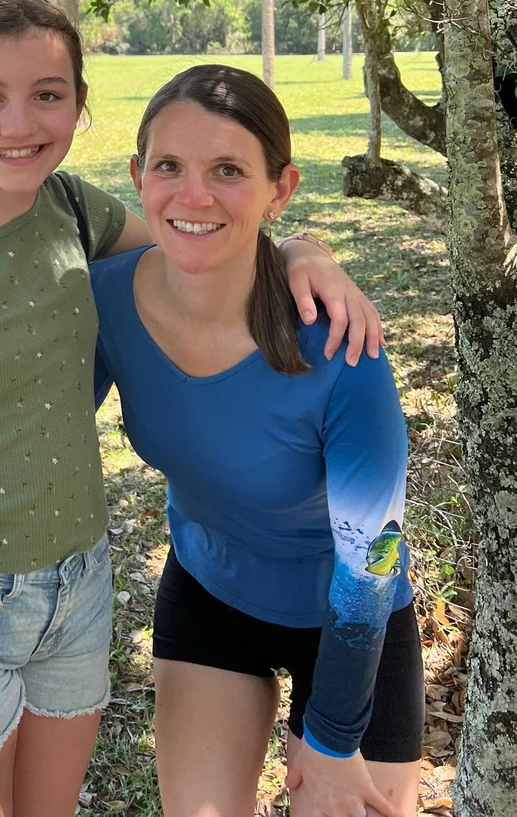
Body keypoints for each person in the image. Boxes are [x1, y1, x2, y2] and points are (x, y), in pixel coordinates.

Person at [0, 0, 384, 817]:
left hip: (76, 596)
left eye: (49, 94)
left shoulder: (71, 210)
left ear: (77, 104)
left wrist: (303, 248)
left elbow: (198, 244)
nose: (19, 121)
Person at [91, 64, 424, 817]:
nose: (194, 194)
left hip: (354, 627)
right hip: (213, 592)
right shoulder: (104, 303)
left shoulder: (341, 346)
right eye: (170, 166)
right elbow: (32, 441)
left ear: (281, 188)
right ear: (139, 176)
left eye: (229, 170)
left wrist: (334, 741)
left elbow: (370, 564)